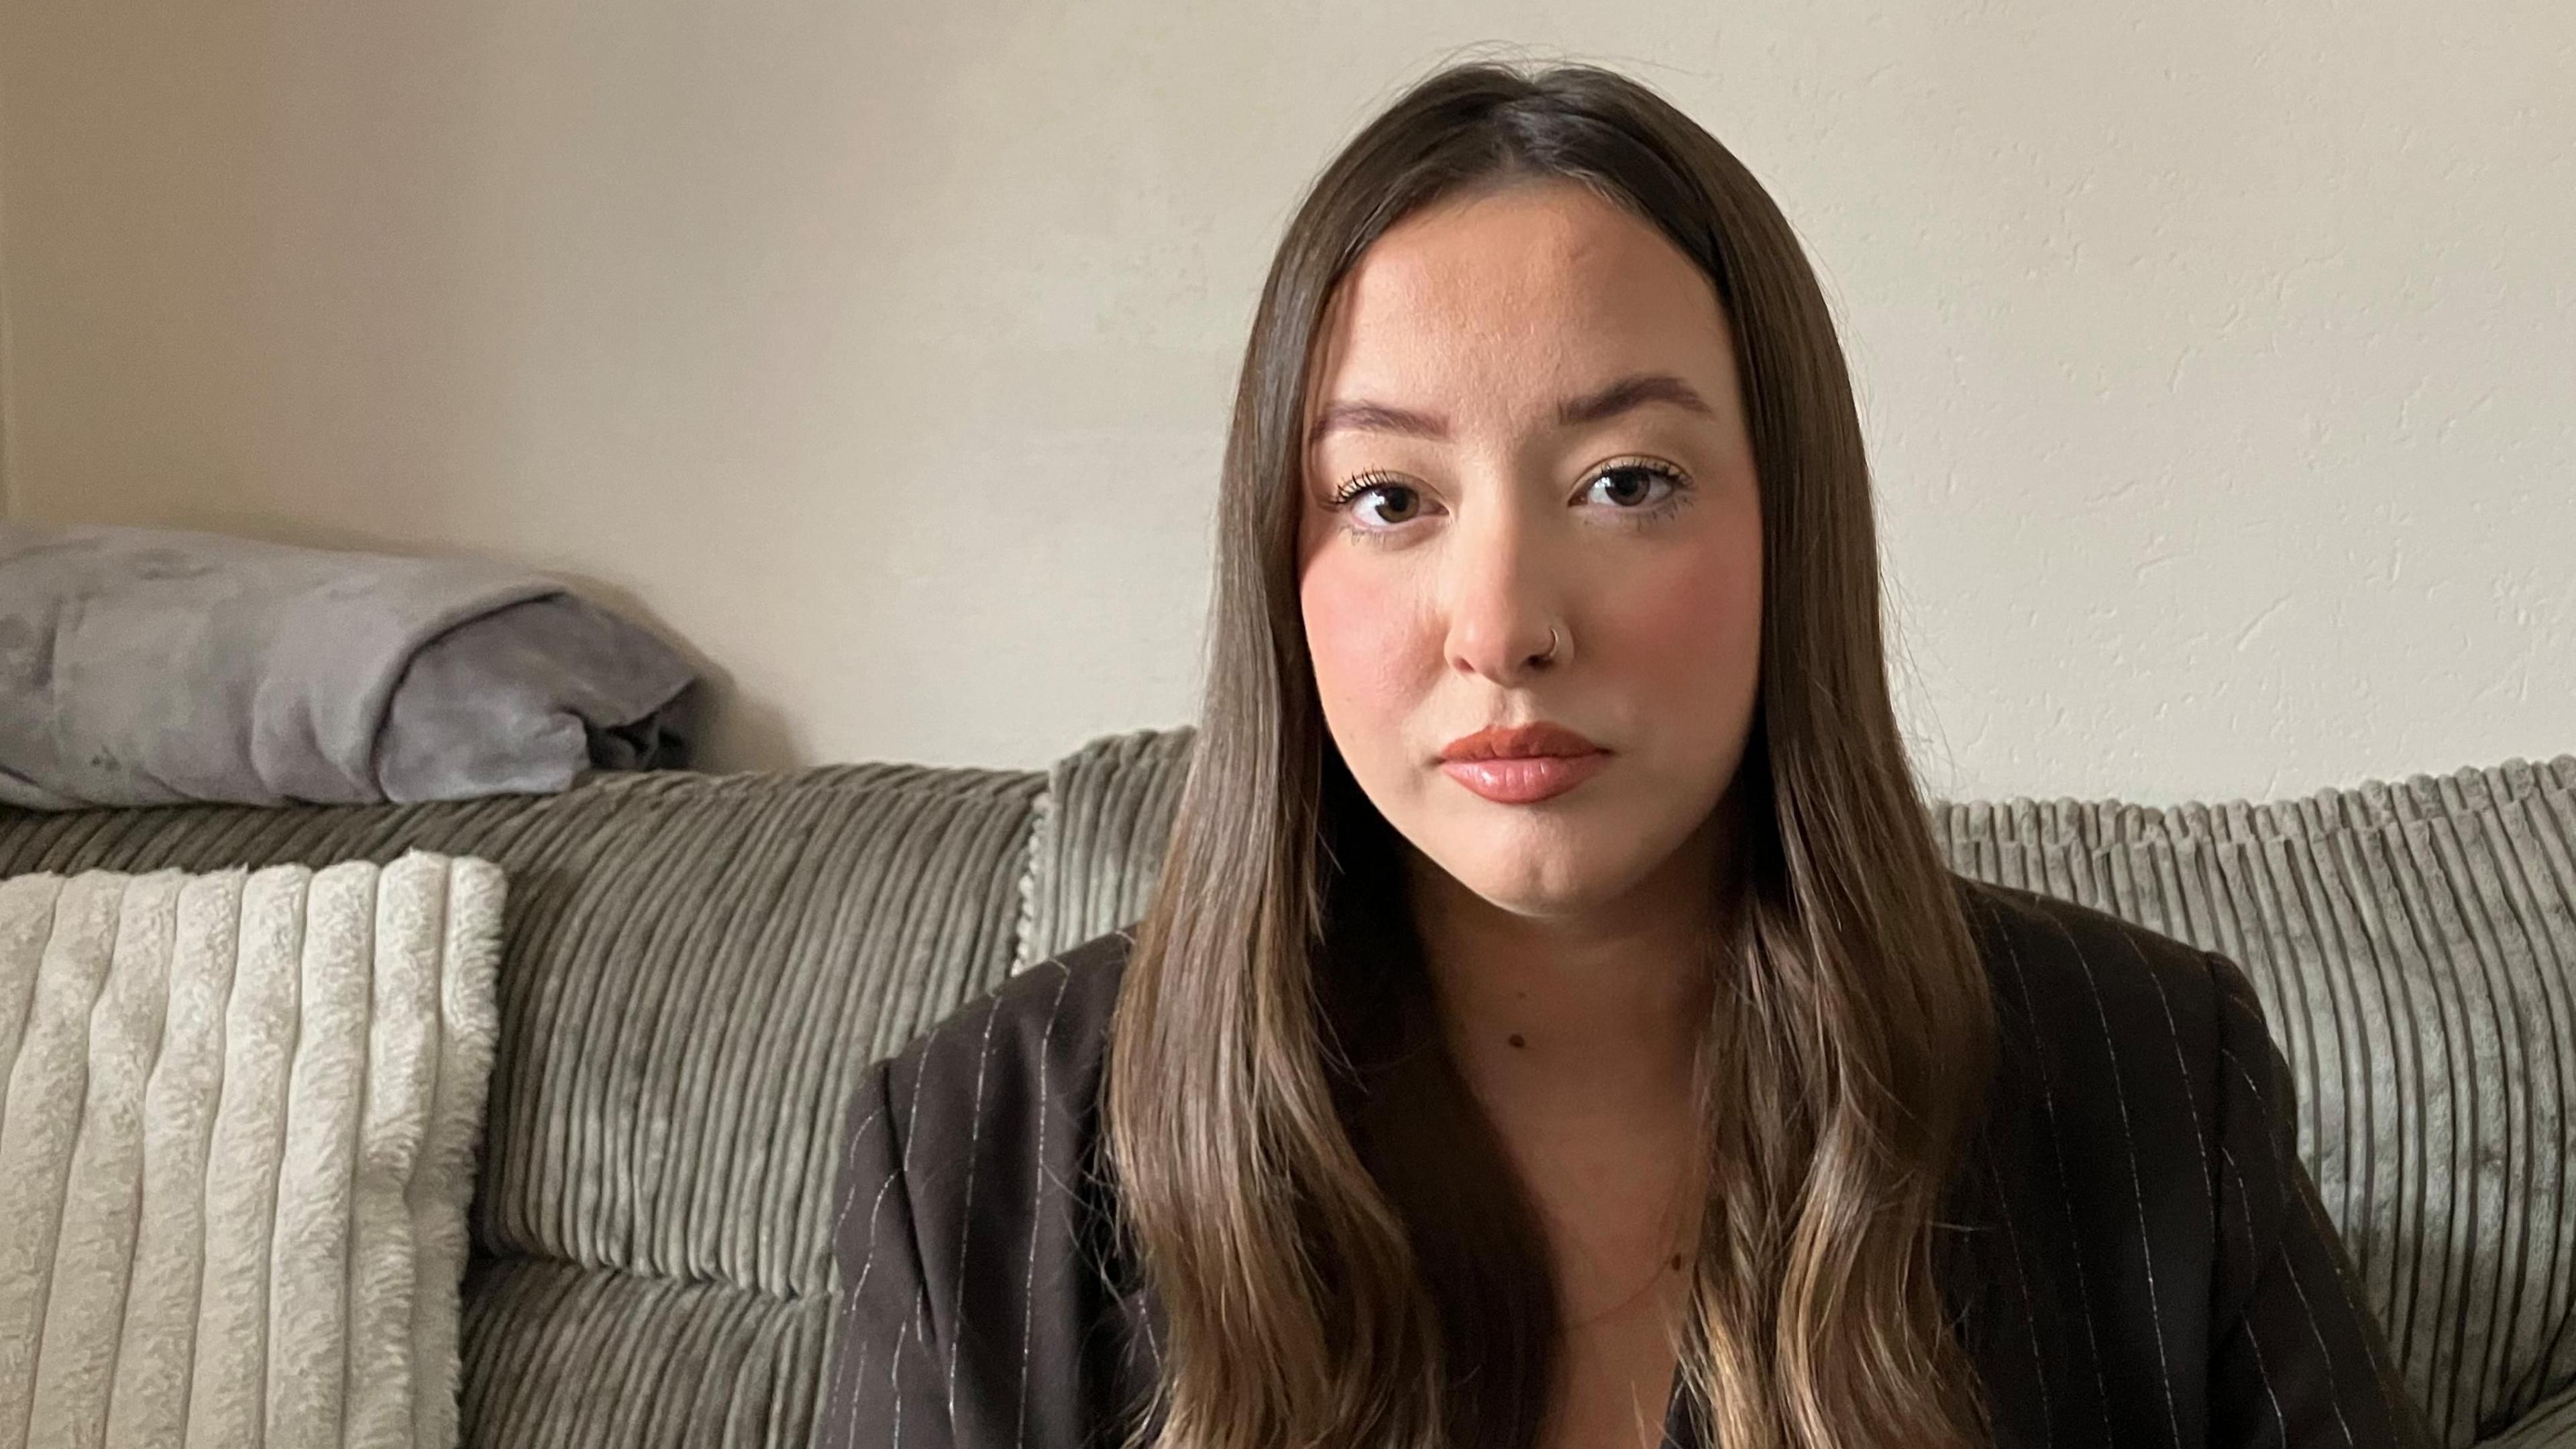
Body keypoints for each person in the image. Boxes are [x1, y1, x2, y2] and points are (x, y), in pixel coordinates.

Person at [815, 59, 2433, 1449]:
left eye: (1627, 481)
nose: (1505, 623)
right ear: (1276, 571)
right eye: (1391, 500)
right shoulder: (985, 1145)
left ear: (1791, 531)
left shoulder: (2151, 1079)